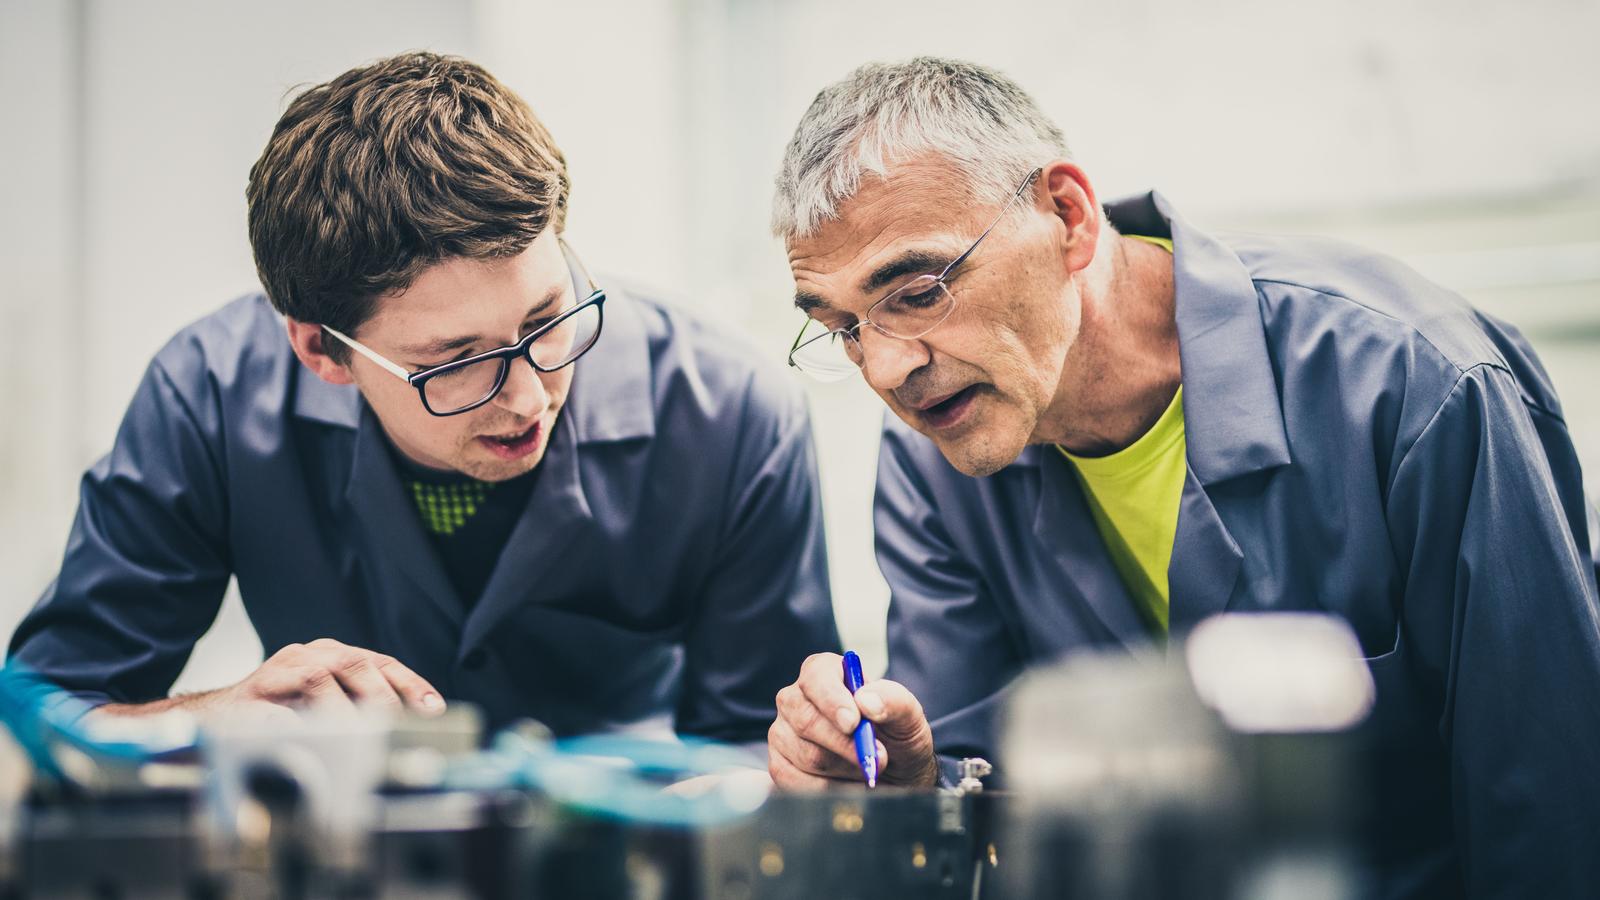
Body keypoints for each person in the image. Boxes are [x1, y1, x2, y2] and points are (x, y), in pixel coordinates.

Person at [764, 57, 1600, 896]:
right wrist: (909, 793)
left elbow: (1550, 812)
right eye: (843, 328)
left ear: (1068, 215)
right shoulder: (933, 459)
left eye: (917, 291)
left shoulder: (1413, 385)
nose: (885, 368)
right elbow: (993, 814)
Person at [8, 52, 839, 744]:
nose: (525, 397)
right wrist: (218, 719)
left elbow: (770, 765)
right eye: (456, 362)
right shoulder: (208, 397)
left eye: (547, 319)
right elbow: (44, 716)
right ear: (321, 350)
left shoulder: (733, 412)